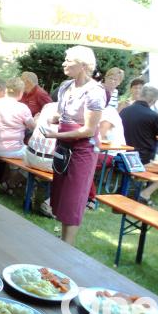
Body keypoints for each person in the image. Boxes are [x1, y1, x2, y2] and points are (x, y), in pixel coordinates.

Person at [40, 45, 106, 245]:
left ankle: (66, 246)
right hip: (63, 144)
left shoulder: (94, 92)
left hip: (82, 150)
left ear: (84, 65)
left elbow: (88, 130)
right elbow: (66, 115)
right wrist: (54, 118)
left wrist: (56, 132)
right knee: (60, 194)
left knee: (73, 196)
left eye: (69, 60)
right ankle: (61, 239)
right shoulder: (66, 86)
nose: (64, 63)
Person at [120, 84, 158, 204]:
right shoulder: (153, 115)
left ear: (141, 94)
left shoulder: (125, 111)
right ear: (153, 100)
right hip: (142, 158)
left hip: (122, 155)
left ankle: (140, 191)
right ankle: (144, 194)